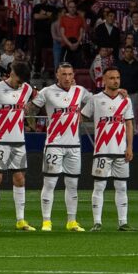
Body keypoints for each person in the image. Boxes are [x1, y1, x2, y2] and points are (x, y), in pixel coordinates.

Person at [31, 63, 91, 232]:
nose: (67, 78)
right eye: (63, 74)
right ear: (57, 75)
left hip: (74, 145)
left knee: (72, 184)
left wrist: (84, 115)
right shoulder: (47, 92)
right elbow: (31, 109)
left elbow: (97, 101)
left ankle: (72, 221)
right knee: (49, 183)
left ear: (74, 76)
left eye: (70, 74)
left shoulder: (80, 91)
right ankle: (46, 221)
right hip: (54, 145)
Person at [0, 61, 37, 231]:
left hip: (18, 141)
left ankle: (20, 220)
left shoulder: (27, 89)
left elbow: (35, 102)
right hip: (0, 140)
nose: (20, 84)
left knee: (20, 179)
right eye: (18, 80)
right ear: (11, 73)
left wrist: (29, 111)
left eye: (22, 81)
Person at [81, 66, 137, 232]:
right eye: (112, 78)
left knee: (122, 187)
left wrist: (130, 147)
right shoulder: (96, 99)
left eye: (117, 78)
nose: (115, 81)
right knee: (99, 186)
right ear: (104, 80)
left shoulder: (126, 100)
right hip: (102, 150)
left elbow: (129, 124)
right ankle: (97, 222)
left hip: (121, 150)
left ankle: (123, 222)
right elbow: (82, 116)